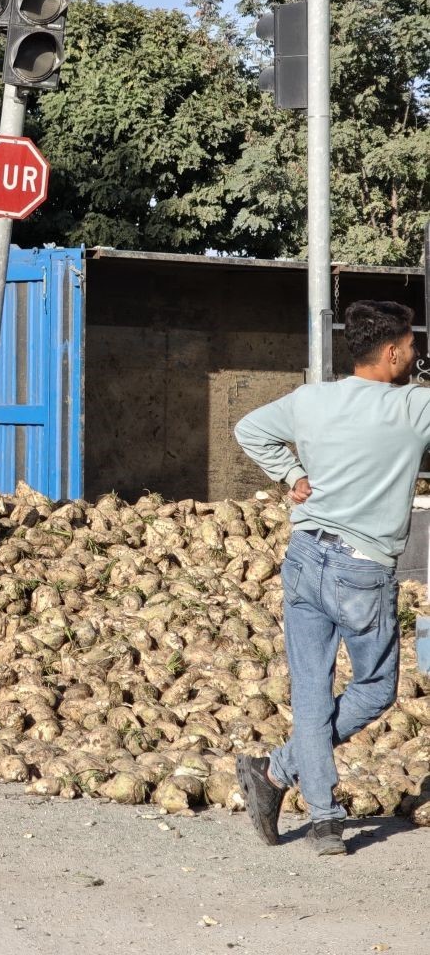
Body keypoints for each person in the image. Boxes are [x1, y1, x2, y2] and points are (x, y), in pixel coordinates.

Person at [233, 299, 423, 855]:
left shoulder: (311, 399)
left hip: (305, 556)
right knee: (376, 689)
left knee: (311, 691)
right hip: (361, 571)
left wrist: (291, 473)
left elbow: (249, 429)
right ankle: (278, 774)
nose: (415, 355)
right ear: (391, 354)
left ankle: (321, 819)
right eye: (412, 347)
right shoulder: (413, 409)